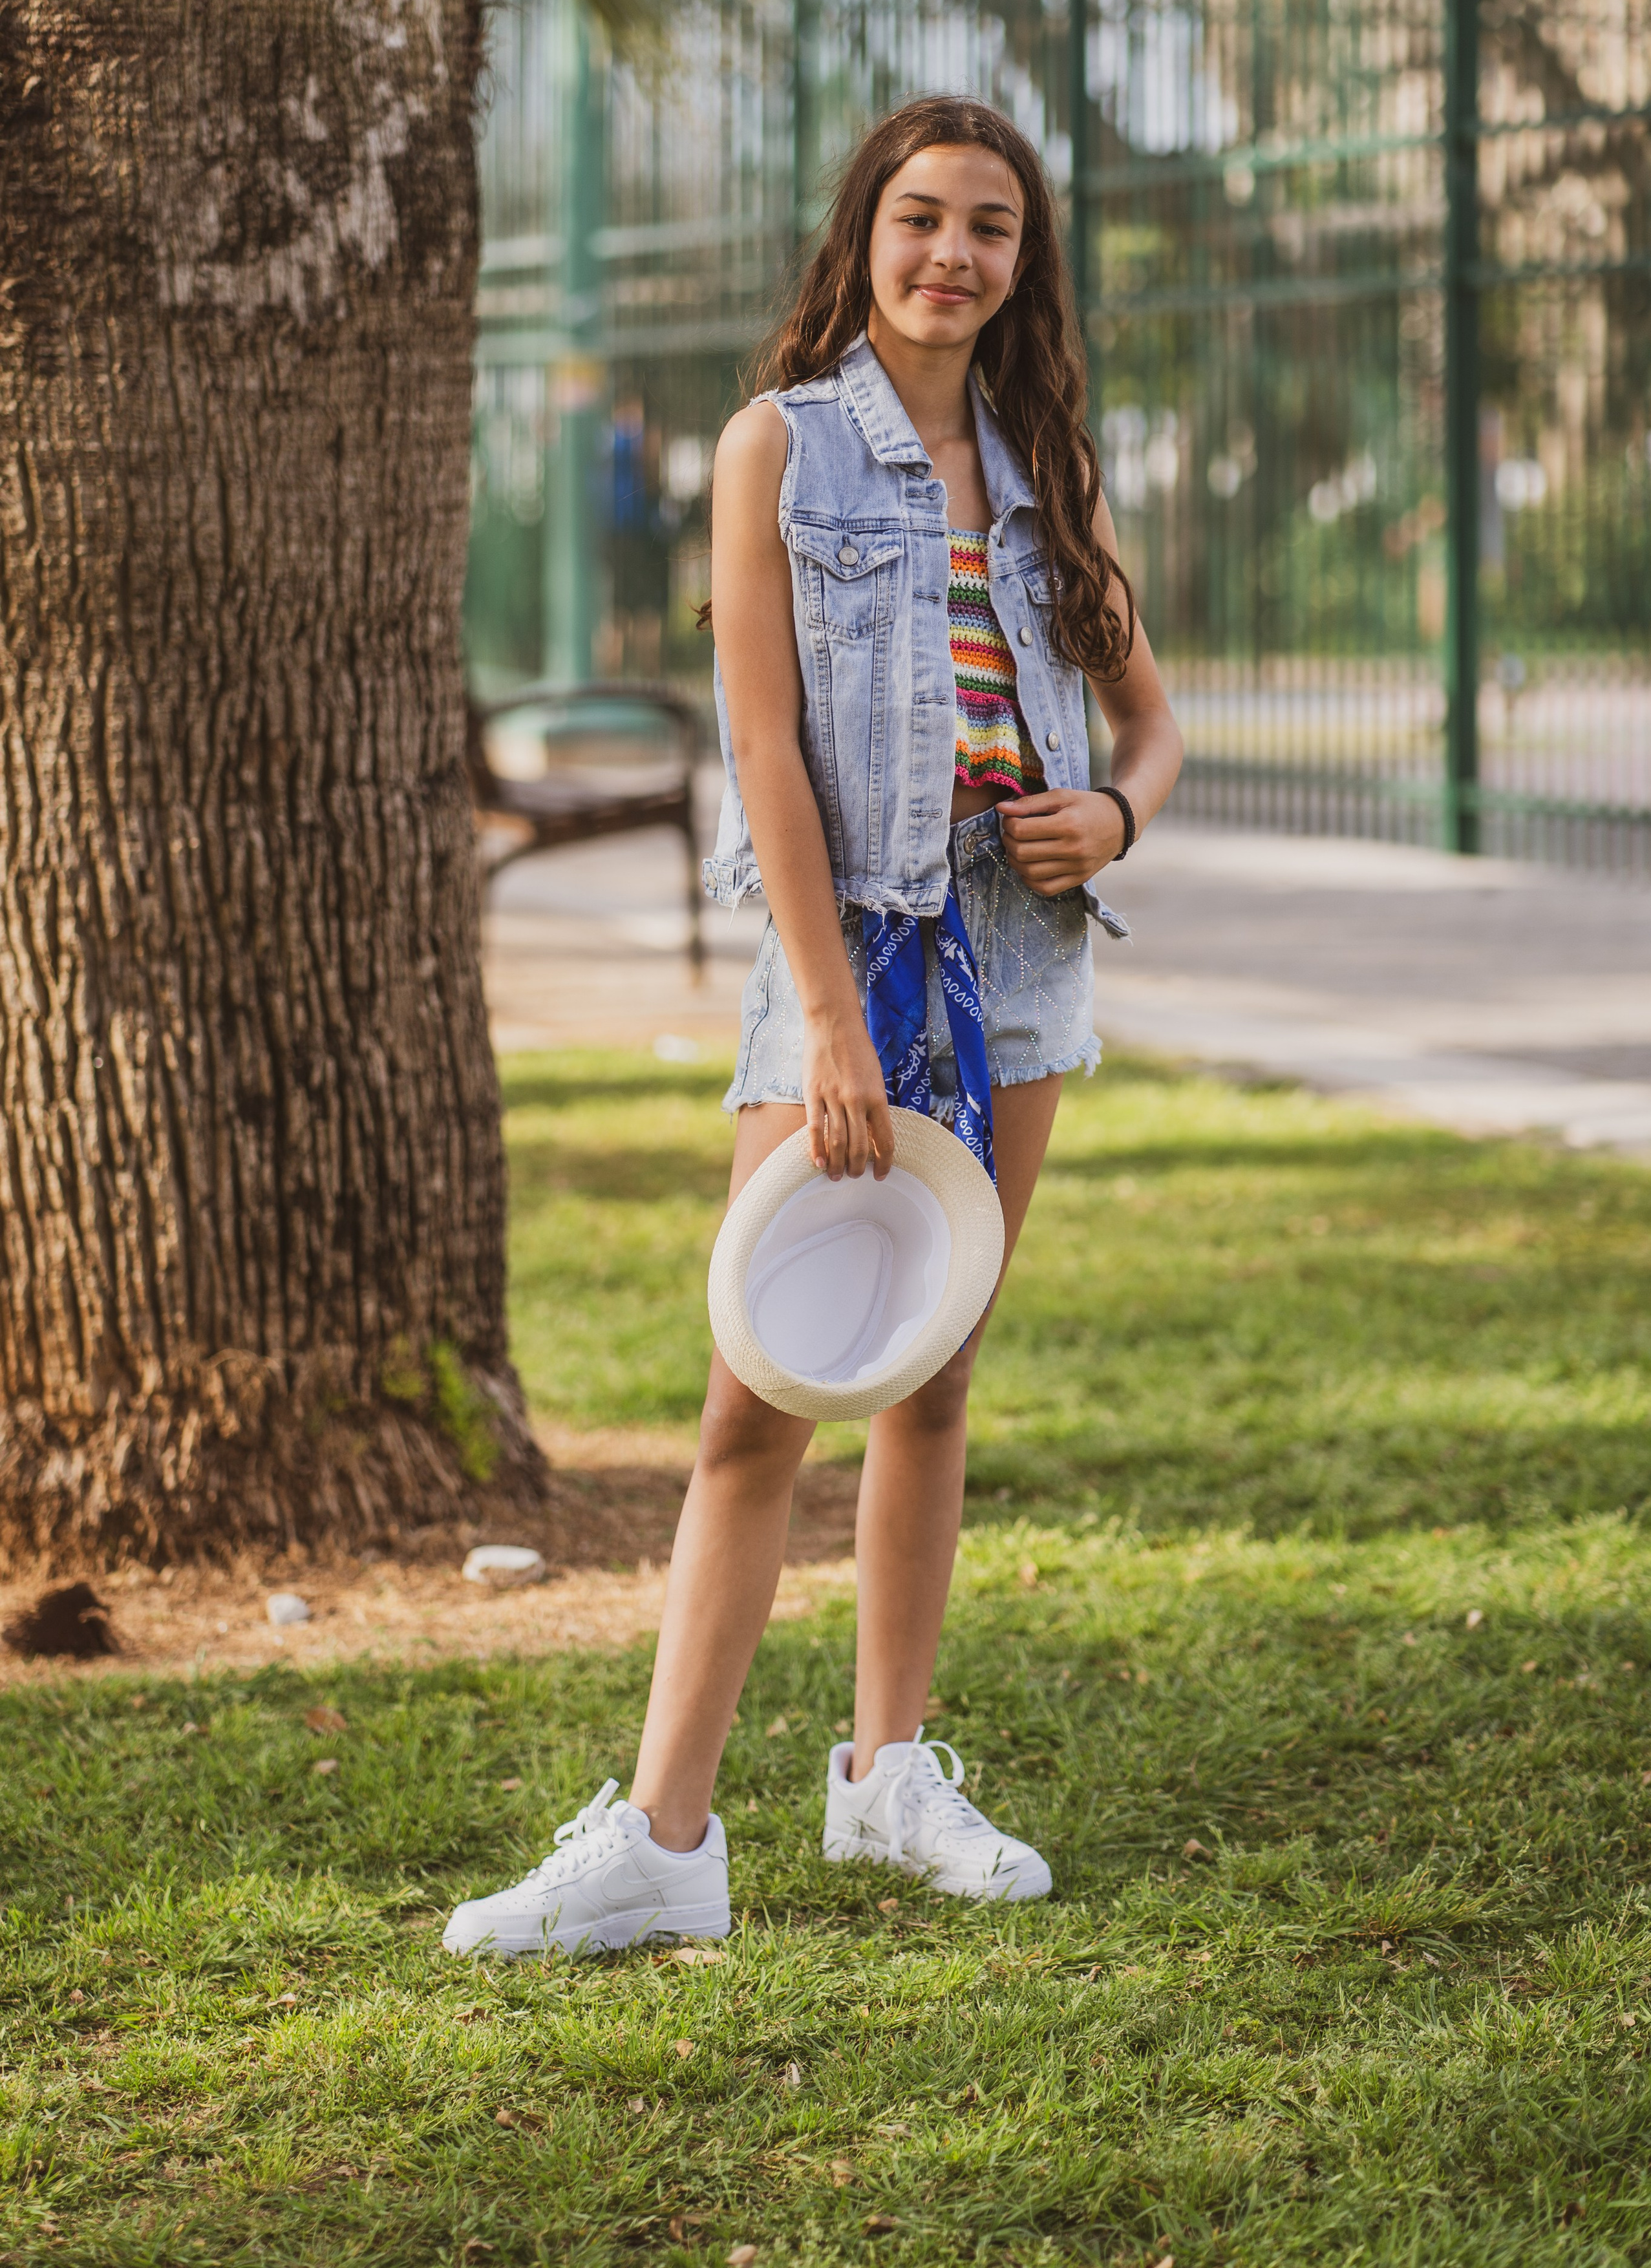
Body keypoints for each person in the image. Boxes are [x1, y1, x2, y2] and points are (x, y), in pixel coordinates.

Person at [443, 96, 1184, 1961]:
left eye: (992, 228)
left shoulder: (1048, 467)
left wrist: (1120, 816)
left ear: (1027, 262)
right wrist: (835, 1021)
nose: (954, 255)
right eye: (921, 218)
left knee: (931, 1373)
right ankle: (665, 1837)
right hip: (839, 958)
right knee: (761, 1391)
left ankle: (888, 1775)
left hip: (1022, 959)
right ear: (863, 236)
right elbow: (765, 751)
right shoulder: (778, 448)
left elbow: (1151, 724)